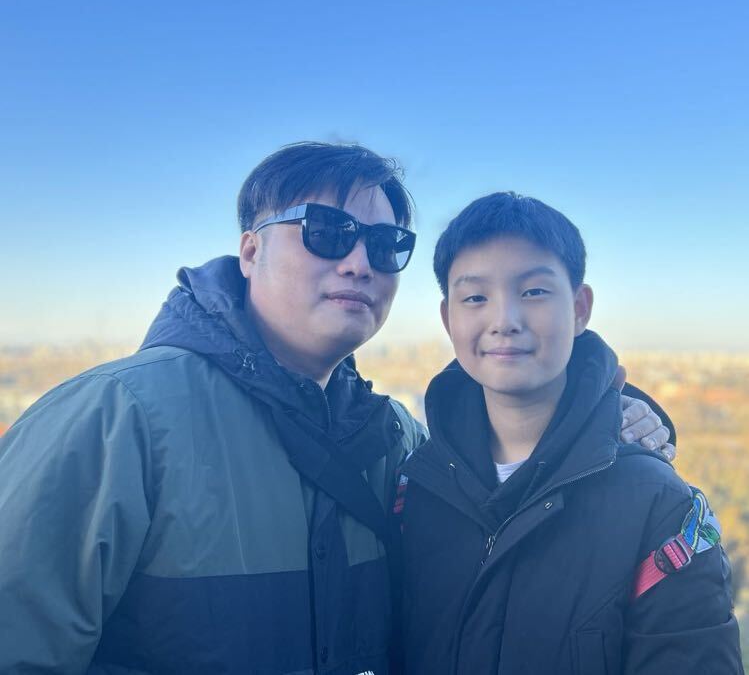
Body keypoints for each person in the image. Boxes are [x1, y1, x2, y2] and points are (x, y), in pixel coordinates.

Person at [0, 143, 670, 675]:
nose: (358, 262)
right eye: (326, 231)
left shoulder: (395, 440)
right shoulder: (116, 418)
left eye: (384, 244)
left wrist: (606, 411)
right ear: (251, 249)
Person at [397, 192, 743, 674]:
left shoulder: (659, 506)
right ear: (447, 318)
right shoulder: (414, 490)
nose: (504, 321)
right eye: (475, 297)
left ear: (580, 308)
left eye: (533, 292)